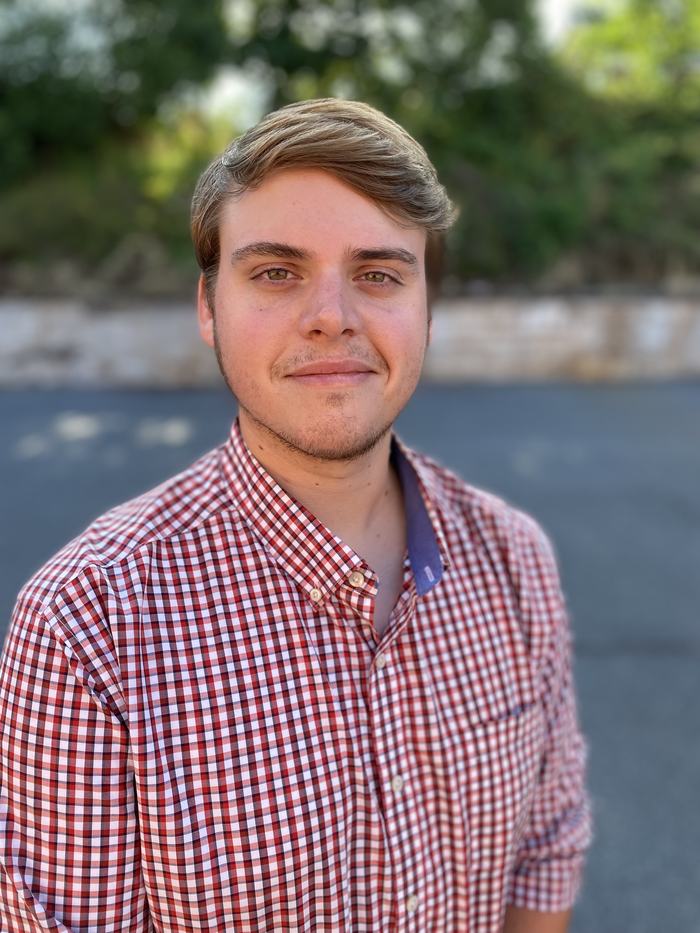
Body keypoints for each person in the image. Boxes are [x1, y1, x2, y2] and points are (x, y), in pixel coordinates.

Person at [0, 98, 592, 932]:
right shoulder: (86, 624)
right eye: (276, 272)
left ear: (428, 310)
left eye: (379, 274)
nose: (330, 315)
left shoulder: (515, 558)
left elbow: (546, 848)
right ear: (208, 308)